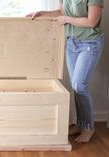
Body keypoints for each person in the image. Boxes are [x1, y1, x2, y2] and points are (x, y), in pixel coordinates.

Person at [26, 0, 104, 143]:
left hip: (89, 44)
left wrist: (66, 20)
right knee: (75, 86)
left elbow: (92, 22)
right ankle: (81, 125)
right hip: (71, 43)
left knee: (79, 85)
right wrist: (42, 14)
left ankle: (88, 127)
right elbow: (62, 12)